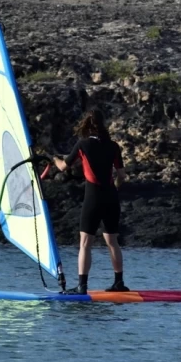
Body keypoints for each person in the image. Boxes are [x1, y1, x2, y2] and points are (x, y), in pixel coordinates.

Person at [53, 109, 129, 294]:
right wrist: (114, 189)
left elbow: (63, 167)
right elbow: (121, 175)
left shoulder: (82, 144)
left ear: (87, 125)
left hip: (93, 197)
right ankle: (118, 282)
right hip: (111, 197)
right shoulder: (114, 146)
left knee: (85, 242)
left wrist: (52, 159)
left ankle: (82, 286)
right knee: (112, 240)